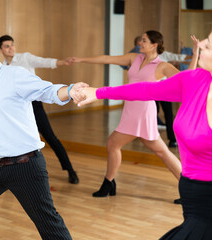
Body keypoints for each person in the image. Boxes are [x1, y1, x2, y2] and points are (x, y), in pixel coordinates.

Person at [73, 32, 212, 240]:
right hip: (193, 201)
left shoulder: (169, 68)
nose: (200, 44)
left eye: (208, 44)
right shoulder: (195, 80)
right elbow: (145, 90)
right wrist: (99, 93)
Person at [0, 27, 85, 240]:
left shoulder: (13, 75)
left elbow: (48, 90)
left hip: (25, 166)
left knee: (49, 226)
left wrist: (69, 90)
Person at [68, 30, 197, 200]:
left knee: (116, 143)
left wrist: (195, 54)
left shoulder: (162, 66)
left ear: (154, 45)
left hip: (143, 112)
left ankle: (109, 183)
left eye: (143, 41)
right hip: (130, 110)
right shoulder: (133, 58)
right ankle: (191, 190)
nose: (140, 43)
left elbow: (186, 79)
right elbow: (107, 59)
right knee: (159, 151)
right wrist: (82, 60)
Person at [0, 34, 79, 184]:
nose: (11, 48)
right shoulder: (2, 68)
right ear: (0, 49)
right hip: (17, 109)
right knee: (16, 140)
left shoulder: (24, 58)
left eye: (12, 44)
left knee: (50, 137)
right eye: (6, 46)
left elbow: (43, 62)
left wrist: (62, 62)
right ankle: (14, 174)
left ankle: (70, 170)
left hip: (34, 104)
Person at [124, 35, 194, 148]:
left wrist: (194, 56)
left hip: (164, 89)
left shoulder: (162, 55)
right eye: (140, 43)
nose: (142, 45)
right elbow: (126, 64)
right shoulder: (139, 57)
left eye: (144, 42)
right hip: (149, 90)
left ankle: (172, 139)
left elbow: (178, 57)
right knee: (148, 112)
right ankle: (144, 134)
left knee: (168, 114)